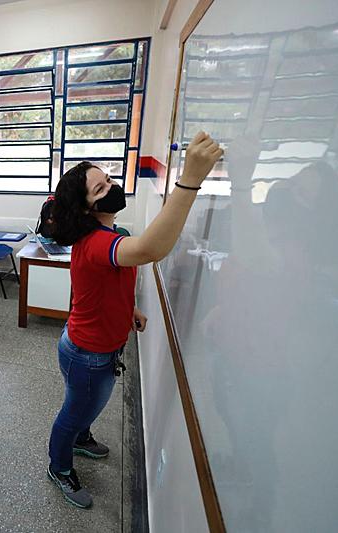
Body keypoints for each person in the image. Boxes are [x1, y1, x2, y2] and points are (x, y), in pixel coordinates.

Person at [46, 132, 223, 508]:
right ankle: (59, 466)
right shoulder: (96, 243)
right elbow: (150, 250)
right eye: (100, 188)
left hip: (87, 345)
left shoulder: (111, 233)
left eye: (108, 179)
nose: (111, 186)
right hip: (88, 355)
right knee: (74, 412)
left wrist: (129, 310)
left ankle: (80, 437)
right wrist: (189, 179)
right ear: (86, 208)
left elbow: (101, 288)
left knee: (82, 407)